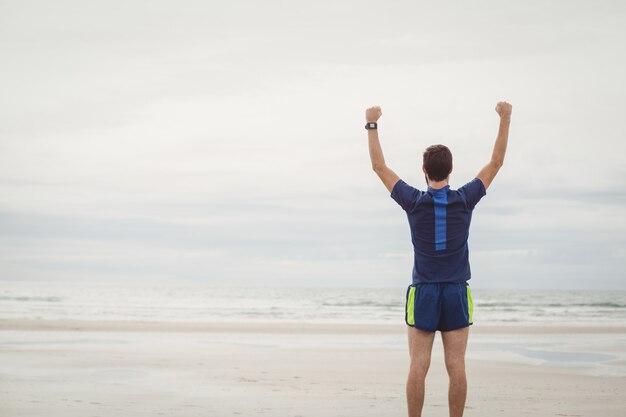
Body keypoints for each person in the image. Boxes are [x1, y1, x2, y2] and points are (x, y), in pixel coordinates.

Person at [365, 101, 512, 417]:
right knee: (456, 364)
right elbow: (496, 162)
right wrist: (505, 118)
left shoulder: (414, 202)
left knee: (419, 364)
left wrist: (372, 124)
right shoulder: (465, 199)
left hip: (425, 292)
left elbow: (379, 167)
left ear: (423, 170)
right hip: (456, 291)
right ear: (451, 169)